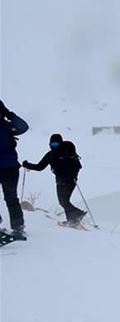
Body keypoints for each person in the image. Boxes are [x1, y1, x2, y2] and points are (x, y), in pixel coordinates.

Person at [23, 134, 85, 227]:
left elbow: (77, 166)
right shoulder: (50, 154)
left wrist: (72, 174)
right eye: (52, 144)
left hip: (69, 180)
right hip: (60, 180)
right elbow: (40, 167)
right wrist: (28, 165)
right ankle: (73, 219)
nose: (54, 146)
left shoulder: (67, 151)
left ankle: (76, 216)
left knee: (63, 201)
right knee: (64, 201)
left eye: (56, 144)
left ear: (60, 143)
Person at [0, 100, 29, 239]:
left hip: (9, 168)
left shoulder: (7, 126)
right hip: (10, 168)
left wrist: (9, 114)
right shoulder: (7, 127)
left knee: (11, 198)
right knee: (11, 199)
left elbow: (23, 127)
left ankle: (18, 228)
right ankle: (17, 227)